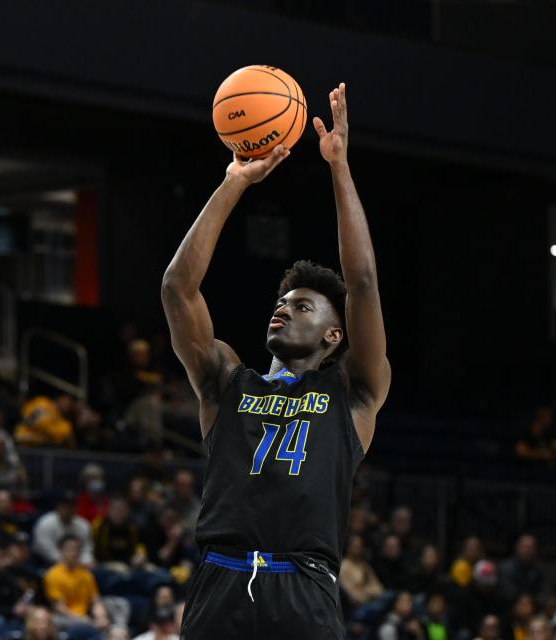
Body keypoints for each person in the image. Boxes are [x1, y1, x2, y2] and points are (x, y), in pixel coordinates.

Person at [161, 83, 389, 640]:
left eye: (302, 305)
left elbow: (360, 282)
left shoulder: (353, 393)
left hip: (304, 591)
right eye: (282, 301)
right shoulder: (226, 382)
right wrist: (232, 184)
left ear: (335, 334)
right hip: (221, 584)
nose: (283, 309)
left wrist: (338, 167)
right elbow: (177, 289)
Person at [42, 536, 100, 622]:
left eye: (76, 549)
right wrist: (80, 620)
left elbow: (96, 601)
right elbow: (58, 606)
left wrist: (101, 617)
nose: (73, 553)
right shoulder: (52, 574)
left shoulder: (86, 574)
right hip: (64, 617)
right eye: (69, 549)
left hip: (86, 616)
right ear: (61, 551)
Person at [32, 492, 95, 565]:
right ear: (57, 507)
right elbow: (47, 551)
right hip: (46, 561)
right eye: (64, 506)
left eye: (71, 506)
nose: (68, 509)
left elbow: (86, 548)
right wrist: (70, 561)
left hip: (77, 562)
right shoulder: (45, 523)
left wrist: (86, 561)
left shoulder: (83, 524)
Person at [93, 494, 145, 569]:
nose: (119, 512)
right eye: (116, 509)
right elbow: (96, 551)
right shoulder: (99, 526)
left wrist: (140, 555)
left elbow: (139, 544)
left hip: (129, 563)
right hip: (105, 563)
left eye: (123, 509)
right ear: (109, 509)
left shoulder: (132, 527)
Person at [339, 534, 384, 608]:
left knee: (389, 597)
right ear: (348, 547)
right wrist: (369, 593)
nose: (358, 549)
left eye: (360, 546)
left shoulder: (364, 566)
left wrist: (366, 592)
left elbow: (379, 589)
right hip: (356, 606)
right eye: (355, 546)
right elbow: (351, 595)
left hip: (372, 601)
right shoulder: (344, 566)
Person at [499, 535, 546, 603]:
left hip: (531, 605)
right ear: (517, 547)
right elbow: (508, 594)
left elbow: (542, 592)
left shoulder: (537, 571)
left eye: (531, 547)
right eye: (525, 547)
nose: (528, 551)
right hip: (508, 606)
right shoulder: (506, 568)